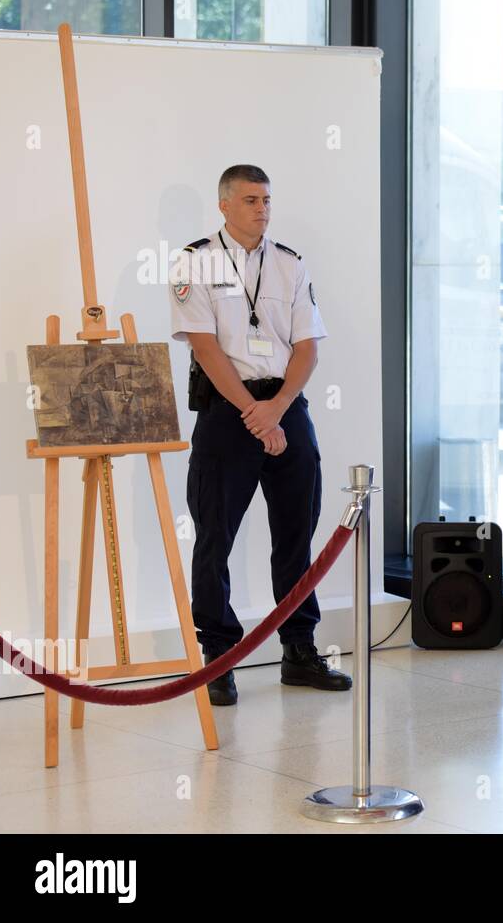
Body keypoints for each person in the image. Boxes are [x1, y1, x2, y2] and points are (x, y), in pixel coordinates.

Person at [169, 164, 350, 706]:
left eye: (267, 199)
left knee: (296, 535)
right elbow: (203, 346)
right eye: (250, 200)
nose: (262, 209)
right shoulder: (194, 261)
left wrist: (277, 410)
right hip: (228, 411)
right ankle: (219, 659)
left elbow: (308, 347)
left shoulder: (290, 264)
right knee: (214, 536)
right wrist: (254, 413)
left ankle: (298, 650)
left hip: (285, 404)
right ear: (223, 205)